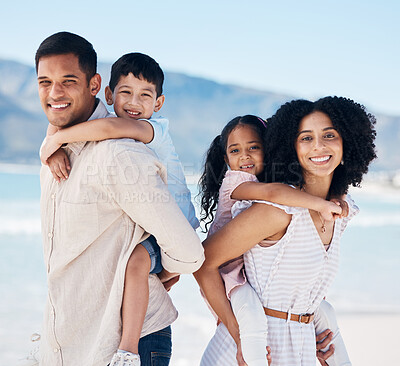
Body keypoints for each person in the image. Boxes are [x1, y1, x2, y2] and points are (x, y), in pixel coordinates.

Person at [34, 31, 204, 366]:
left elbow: (189, 252)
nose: (55, 92)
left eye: (68, 81)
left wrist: (169, 266)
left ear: (95, 85)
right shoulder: (59, 152)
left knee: (140, 262)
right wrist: (49, 146)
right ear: (112, 93)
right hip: (81, 343)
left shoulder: (120, 154)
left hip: (131, 344)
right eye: (44, 81)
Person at [195, 97, 376, 365]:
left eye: (329, 135)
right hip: (244, 355)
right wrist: (238, 334)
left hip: (298, 350)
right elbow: (202, 263)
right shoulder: (276, 211)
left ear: (347, 142)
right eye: (306, 138)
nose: (318, 145)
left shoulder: (340, 211)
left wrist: (309, 327)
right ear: (290, 146)